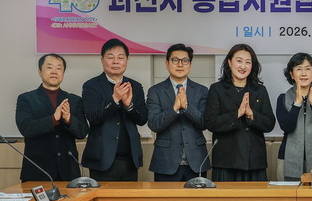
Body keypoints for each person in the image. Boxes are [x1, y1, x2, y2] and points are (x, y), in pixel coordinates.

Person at [204, 44, 276, 181]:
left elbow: (269, 124)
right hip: (226, 162)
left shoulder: (260, 90)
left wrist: (250, 114)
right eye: (239, 61)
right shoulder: (217, 89)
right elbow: (211, 122)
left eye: (248, 62)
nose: (243, 66)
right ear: (229, 62)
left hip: (254, 162)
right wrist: (237, 113)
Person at [15, 54, 89, 182]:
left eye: (59, 68)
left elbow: (82, 132)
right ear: (40, 72)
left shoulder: (74, 100)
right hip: (37, 172)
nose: (54, 71)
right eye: (49, 67)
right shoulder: (26, 99)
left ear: (63, 73)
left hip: (68, 173)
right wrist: (54, 119)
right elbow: (26, 128)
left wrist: (68, 118)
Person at [82, 38, 148, 181]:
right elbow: (92, 117)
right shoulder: (91, 86)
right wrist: (114, 100)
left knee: (130, 196)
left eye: (120, 57)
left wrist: (129, 106)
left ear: (127, 60)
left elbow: (143, 119)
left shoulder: (135, 86)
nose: (116, 61)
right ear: (102, 60)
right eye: (110, 57)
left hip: (130, 160)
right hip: (102, 160)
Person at [146, 44, 210, 182]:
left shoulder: (202, 91)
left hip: (196, 161)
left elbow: (205, 123)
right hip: (165, 162)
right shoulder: (155, 91)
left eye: (185, 61)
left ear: (190, 65)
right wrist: (174, 109)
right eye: (175, 60)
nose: (180, 64)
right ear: (167, 63)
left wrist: (186, 107)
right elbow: (154, 124)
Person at [276, 53, 312, 181]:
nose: (304, 73)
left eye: (308, 69)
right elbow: (287, 127)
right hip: (287, 158)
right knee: (288, 193)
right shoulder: (283, 98)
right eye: (299, 69)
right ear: (291, 74)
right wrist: (297, 103)